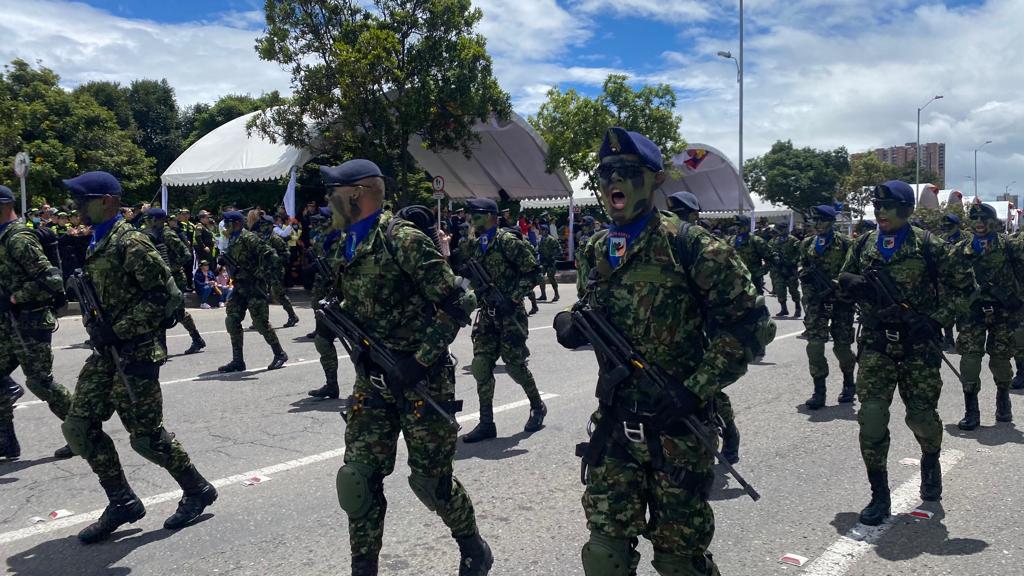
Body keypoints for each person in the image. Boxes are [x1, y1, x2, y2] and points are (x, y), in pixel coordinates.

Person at [555, 128, 763, 575]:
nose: (616, 180)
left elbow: (749, 326)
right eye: (608, 171)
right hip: (615, 424)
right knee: (604, 554)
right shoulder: (595, 250)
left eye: (628, 172)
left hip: (677, 433)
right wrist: (573, 326)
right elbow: (593, 311)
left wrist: (695, 390)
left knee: (678, 562)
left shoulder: (691, 246)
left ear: (653, 181)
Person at [321, 160, 491, 575]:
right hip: (373, 383)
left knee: (431, 482)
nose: (328, 201)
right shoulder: (343, 243)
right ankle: (363, 567)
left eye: (334, 192)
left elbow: (458, 302)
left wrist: (419, 361)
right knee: (357, 479)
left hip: (422, 383)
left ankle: (473, 548)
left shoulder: (403, 239)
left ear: (357, 194)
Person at [60, 171, 217, 543]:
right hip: (105, 354)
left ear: (109, 202)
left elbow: (169, 300)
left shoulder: (132, 243)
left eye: (85, 200)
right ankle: (122, 501)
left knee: (146, 438)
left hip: (136, 354)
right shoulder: (97, 241)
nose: (77, 207)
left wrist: (121, 328)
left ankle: (197, 489)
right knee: (78, 427)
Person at [838, 180, 974, 526]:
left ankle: (930, 460)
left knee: (922, 418)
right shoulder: (865, 244)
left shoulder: (929, 246)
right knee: (870, 418)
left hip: (918, 347)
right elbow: (845, 278)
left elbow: (965, 288)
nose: (879, 211)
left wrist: (936, 321)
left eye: (888, 205)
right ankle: (879, 494)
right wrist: (853, 286)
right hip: (877, 345)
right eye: (876, 205)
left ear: (906, 209)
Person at [455, 197, 546, 444]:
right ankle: (487, 423)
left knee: (515, 365)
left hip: (510, 314)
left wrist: (514, 298)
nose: (471, 219)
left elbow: (535, 272)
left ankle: (537, 406)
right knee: (481, 365)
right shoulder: (474, 245)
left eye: (477, 215)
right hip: (487, 315)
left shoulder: (507, 242)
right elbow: (471, 278)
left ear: (493, 217)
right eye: (470, 215)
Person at [0, 185, 75, 460]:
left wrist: (16, 298)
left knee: (41, 382)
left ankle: (83, 432)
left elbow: (51, 279)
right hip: (9, 324)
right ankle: (6, 441)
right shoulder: (3, 237)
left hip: (30, 321)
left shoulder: (19, 238)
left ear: (5, 206)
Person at [950, 203, 1024, 429]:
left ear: (994, 222)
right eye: (974, 218)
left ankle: (1003, 397)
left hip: (1004, 313)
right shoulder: (960, 251)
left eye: (984, 218)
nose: (979, 222)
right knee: (970, 361)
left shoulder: (1010, 246)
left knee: (1000, 360)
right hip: (972, 315)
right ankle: (971, 410)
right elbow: (947, 282)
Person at [798, 205, 856, 409]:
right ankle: (819, 390)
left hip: (841, 302)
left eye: (822, 220)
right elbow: (803, 267)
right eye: (815, 220)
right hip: (816, 303)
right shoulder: (807, 244)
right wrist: (806, 282)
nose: (818, 224)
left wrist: (839, 286)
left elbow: (855, 273)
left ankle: (849, 383)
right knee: (814, 346)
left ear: (832, 222)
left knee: (842, 347)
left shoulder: (847, 244)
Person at [217, 211, 289, 372]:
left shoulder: (249, 238)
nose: (225, 225)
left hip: (254, 286)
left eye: (227, 222)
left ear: (237, 223)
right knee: (232, 320)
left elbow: (272, 256)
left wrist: (261, 275)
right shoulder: (232, 239)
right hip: (240, 286)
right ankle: (238, 360)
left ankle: (279, 353)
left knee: (260, 323)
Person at [143, 208, 206, 355]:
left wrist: (171, 267)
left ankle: (165, 348)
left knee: (172, 311)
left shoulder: (167, 234)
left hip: (175, 277)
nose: (146, 222)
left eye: (148, 219)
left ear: (156, 220)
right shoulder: (150, 235)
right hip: (162, 278)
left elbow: (186, 254)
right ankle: (195, 339)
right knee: (172, 311)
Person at [307, 208, 343, 399]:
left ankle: (377, 387)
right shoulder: (322, 238)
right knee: (322, 340)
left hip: (349, 297)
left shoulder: (346, 238)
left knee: (364, 347)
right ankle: (331, 384)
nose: (320, 224)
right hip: (328, 294)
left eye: (324, 220)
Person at [728, 215, 771, 296]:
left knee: (757, 303)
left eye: (739, 225)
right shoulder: (731, 240)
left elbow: (770, 259)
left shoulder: (756, 240)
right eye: (735, 225)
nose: (737, 228)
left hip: (753, 280)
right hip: (736, 279)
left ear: (746, 226)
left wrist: (759, 273)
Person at [768, 223, 802, 318]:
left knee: (793, 289)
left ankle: (798, 308)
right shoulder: (773, 241)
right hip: (778, 270)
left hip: (790, 269)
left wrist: (794, 261)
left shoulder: (793, 240)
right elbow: (769, 252)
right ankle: (784, 309)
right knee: (779, 289)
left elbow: (800, 252)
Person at [536, 226, 561, 302]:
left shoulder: (552, 239)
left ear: (546, 231)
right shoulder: (541, 239)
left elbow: (559, 250)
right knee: (540, 277)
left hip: (550, 262)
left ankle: (556, 294)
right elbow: (538, 249)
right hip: (543, 262)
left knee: (551, 277)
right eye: (541, 230)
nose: (541, 231)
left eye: (543, 230)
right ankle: (543, 295)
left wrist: (553, 257)